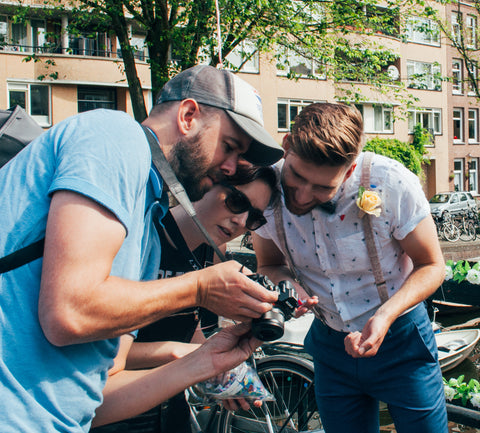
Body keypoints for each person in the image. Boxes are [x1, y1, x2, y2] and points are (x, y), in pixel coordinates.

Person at [0, 64, 284, 432]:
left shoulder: (148, 229)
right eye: (229, 147)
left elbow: (100, 396)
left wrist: (204, 362)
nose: (231, 168)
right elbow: (68, 312)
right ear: (188, 115)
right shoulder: (114, 135)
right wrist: (200, 288)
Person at [252, 103, 448, 433]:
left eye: (321, 188)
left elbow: (431, 265)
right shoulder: (266, 188)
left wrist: (384, 316)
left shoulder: (391, 182)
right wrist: (288, 284)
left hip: (402, 343)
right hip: (330, 351)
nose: (301, 196)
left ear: (349, 169)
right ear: (286, 145)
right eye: (297, 176)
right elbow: (269, 264)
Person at [90, 163, 279, 432]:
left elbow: (190, 327)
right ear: (206, 182)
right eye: (237, 202)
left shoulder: (214, 250)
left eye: (254, 219)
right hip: (115, 407)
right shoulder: (144, 235)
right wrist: (180, 353)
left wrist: (219, 376)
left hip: (170, 403)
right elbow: (96, 349)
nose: (241, 221)